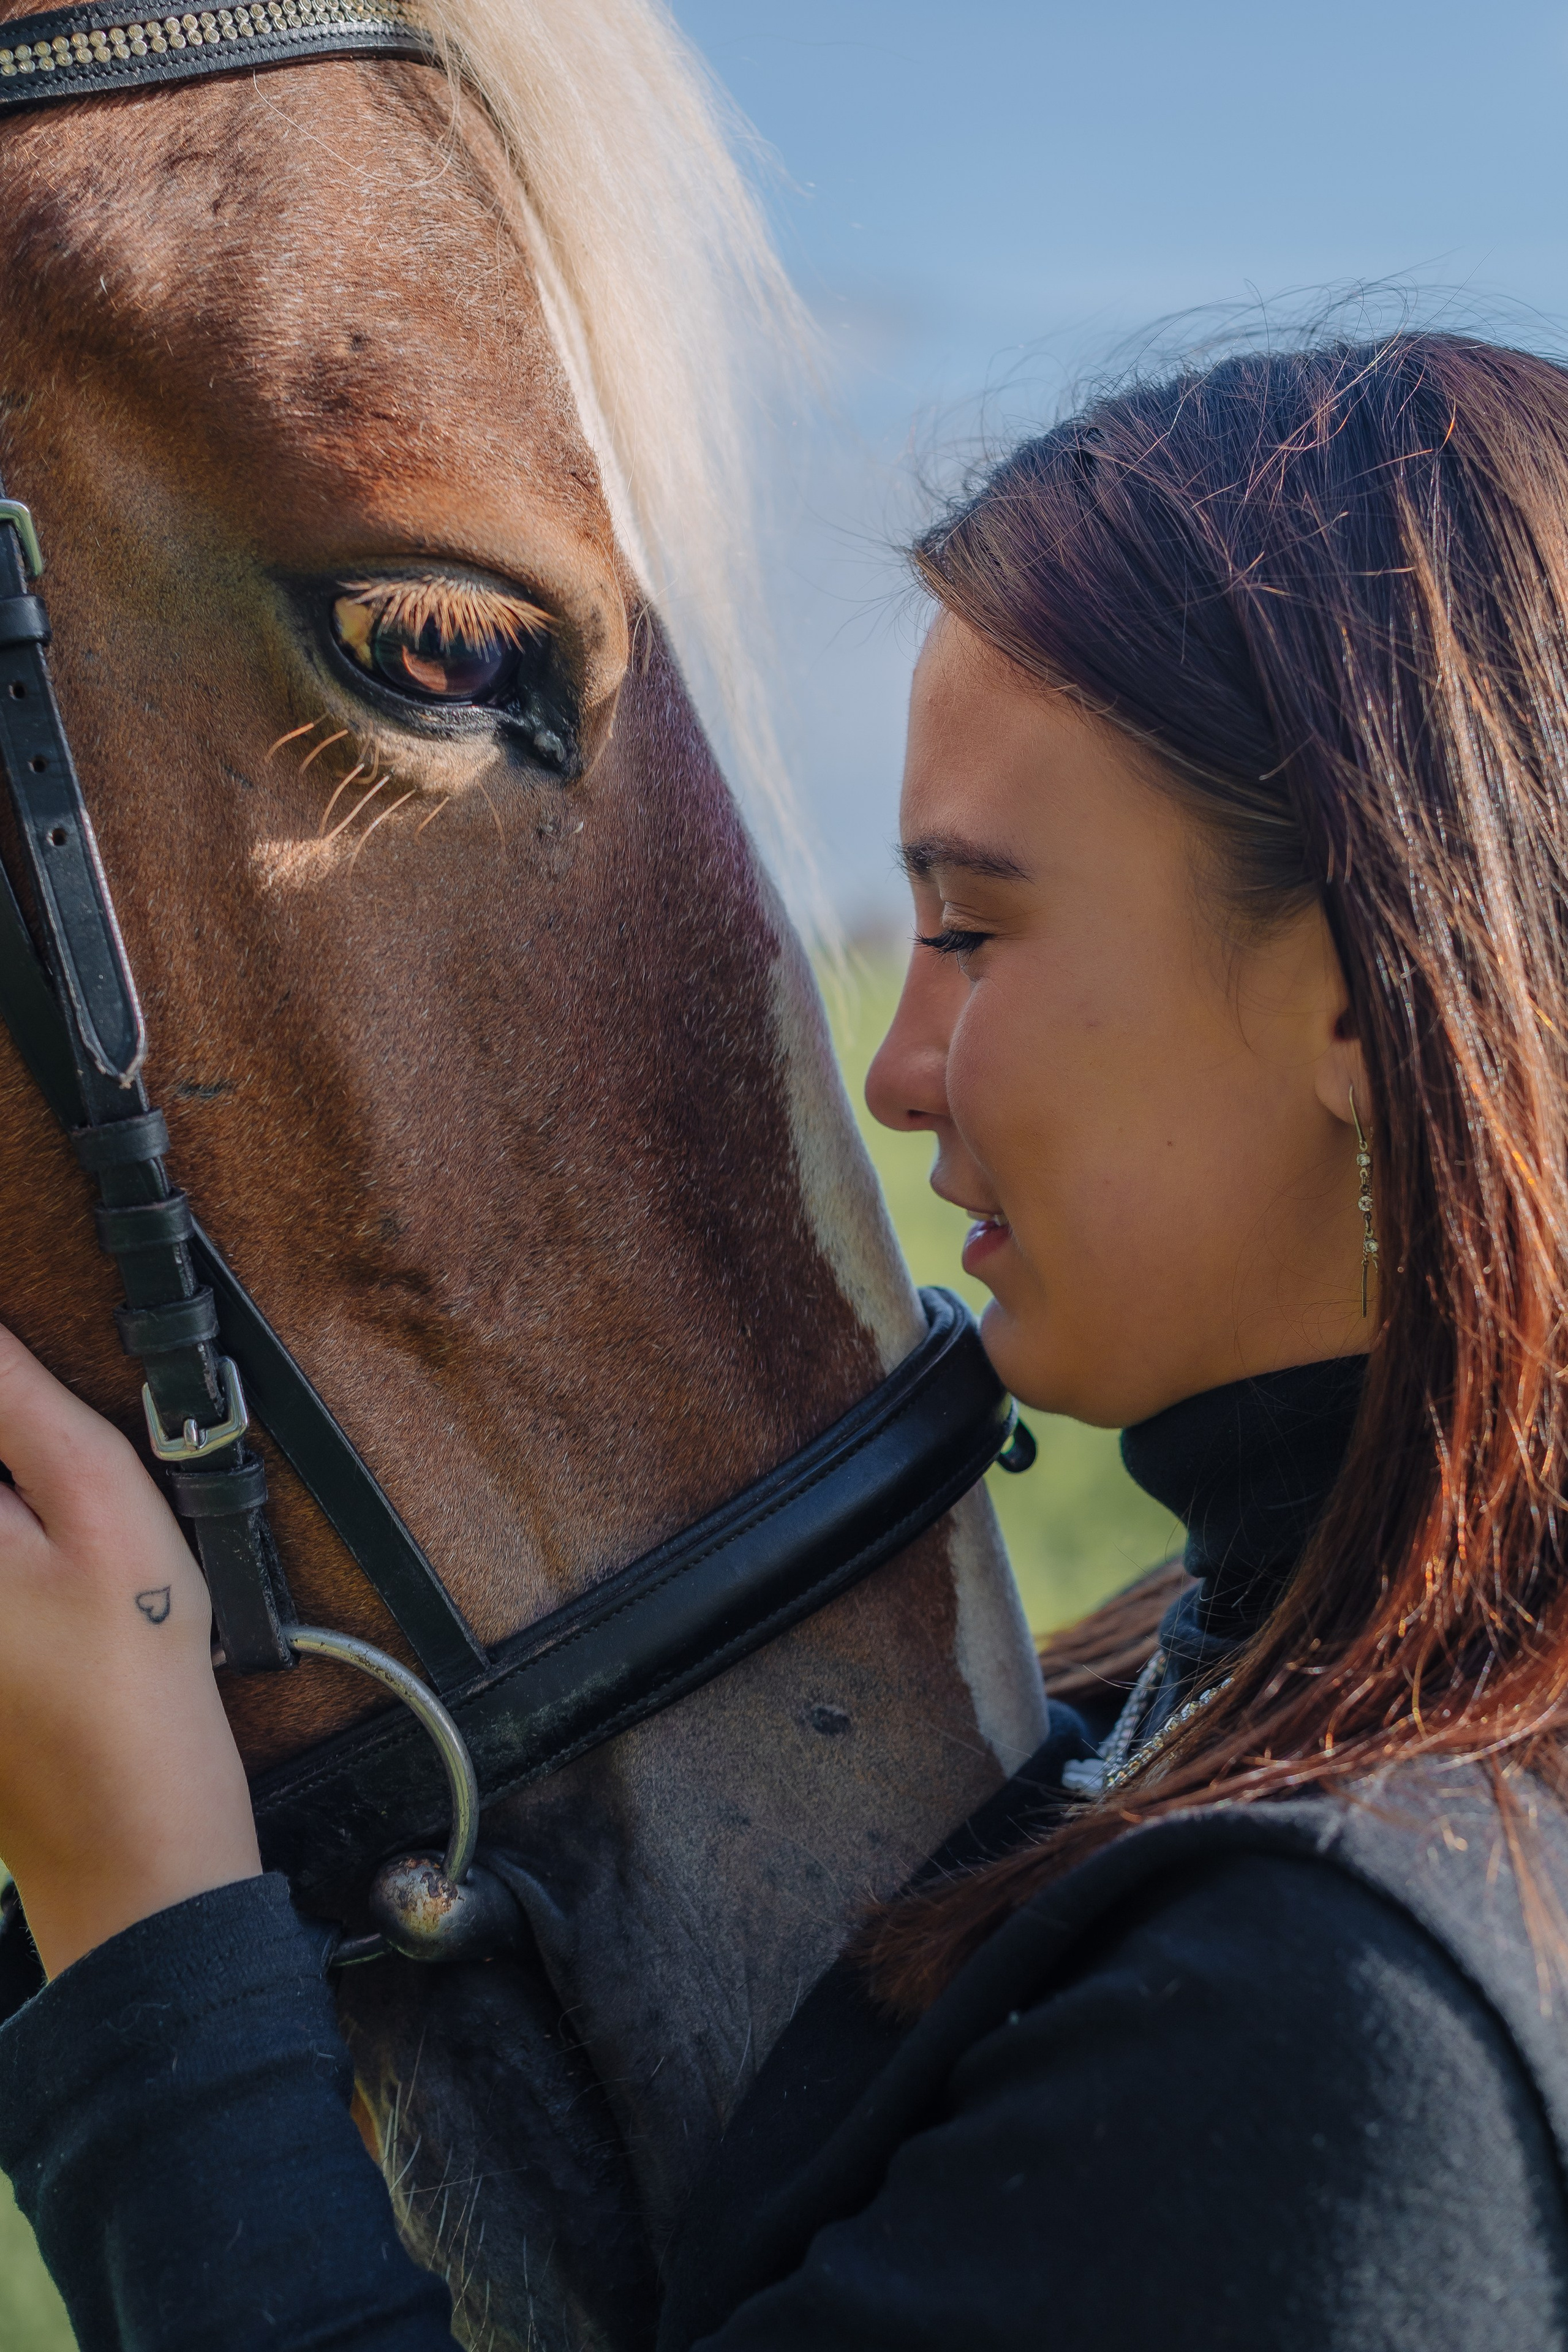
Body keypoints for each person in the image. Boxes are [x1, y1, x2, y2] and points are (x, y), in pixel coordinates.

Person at [4, 328, 1568, 2350]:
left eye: (978, 931)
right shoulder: (1208, 1720)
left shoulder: (1345, 2014)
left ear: (1369, 983)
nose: (899, 1071)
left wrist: (147, 1939)